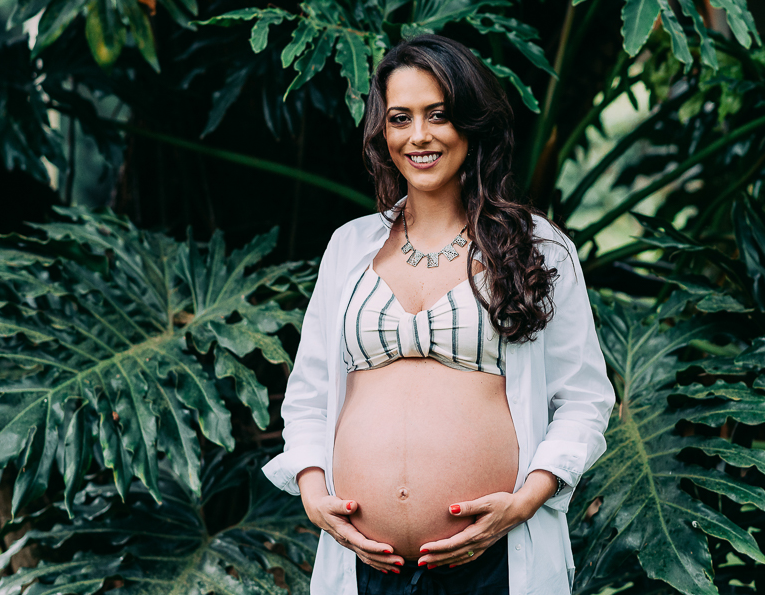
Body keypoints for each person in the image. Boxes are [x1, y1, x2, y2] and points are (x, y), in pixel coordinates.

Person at [262, 34, 614, 594]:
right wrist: (311, 491)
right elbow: (308, 392)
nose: (419, 135)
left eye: (439, 115)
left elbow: (584, 398)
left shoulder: (537, 248)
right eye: (400, 118)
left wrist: (525, 502)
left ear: (471, 125)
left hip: (493, 564)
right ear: (382, 133)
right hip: (365, 567)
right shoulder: (349, 247)